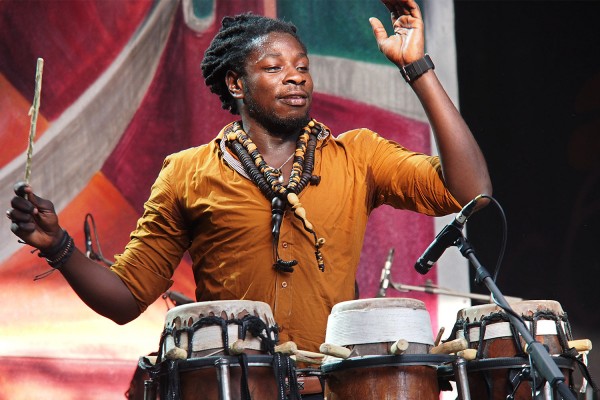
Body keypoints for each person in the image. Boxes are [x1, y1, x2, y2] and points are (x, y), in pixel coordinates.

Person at [7, 0, 490, 380]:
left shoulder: (357, 155)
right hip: (229, 384)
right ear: (236, 83)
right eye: (274, 68)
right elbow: (126, 298)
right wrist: (60, 248)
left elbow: (471, 191)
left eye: (301, 66)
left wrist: (417, 67)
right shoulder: (187, 173)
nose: (296, 76)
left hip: (330, 384)